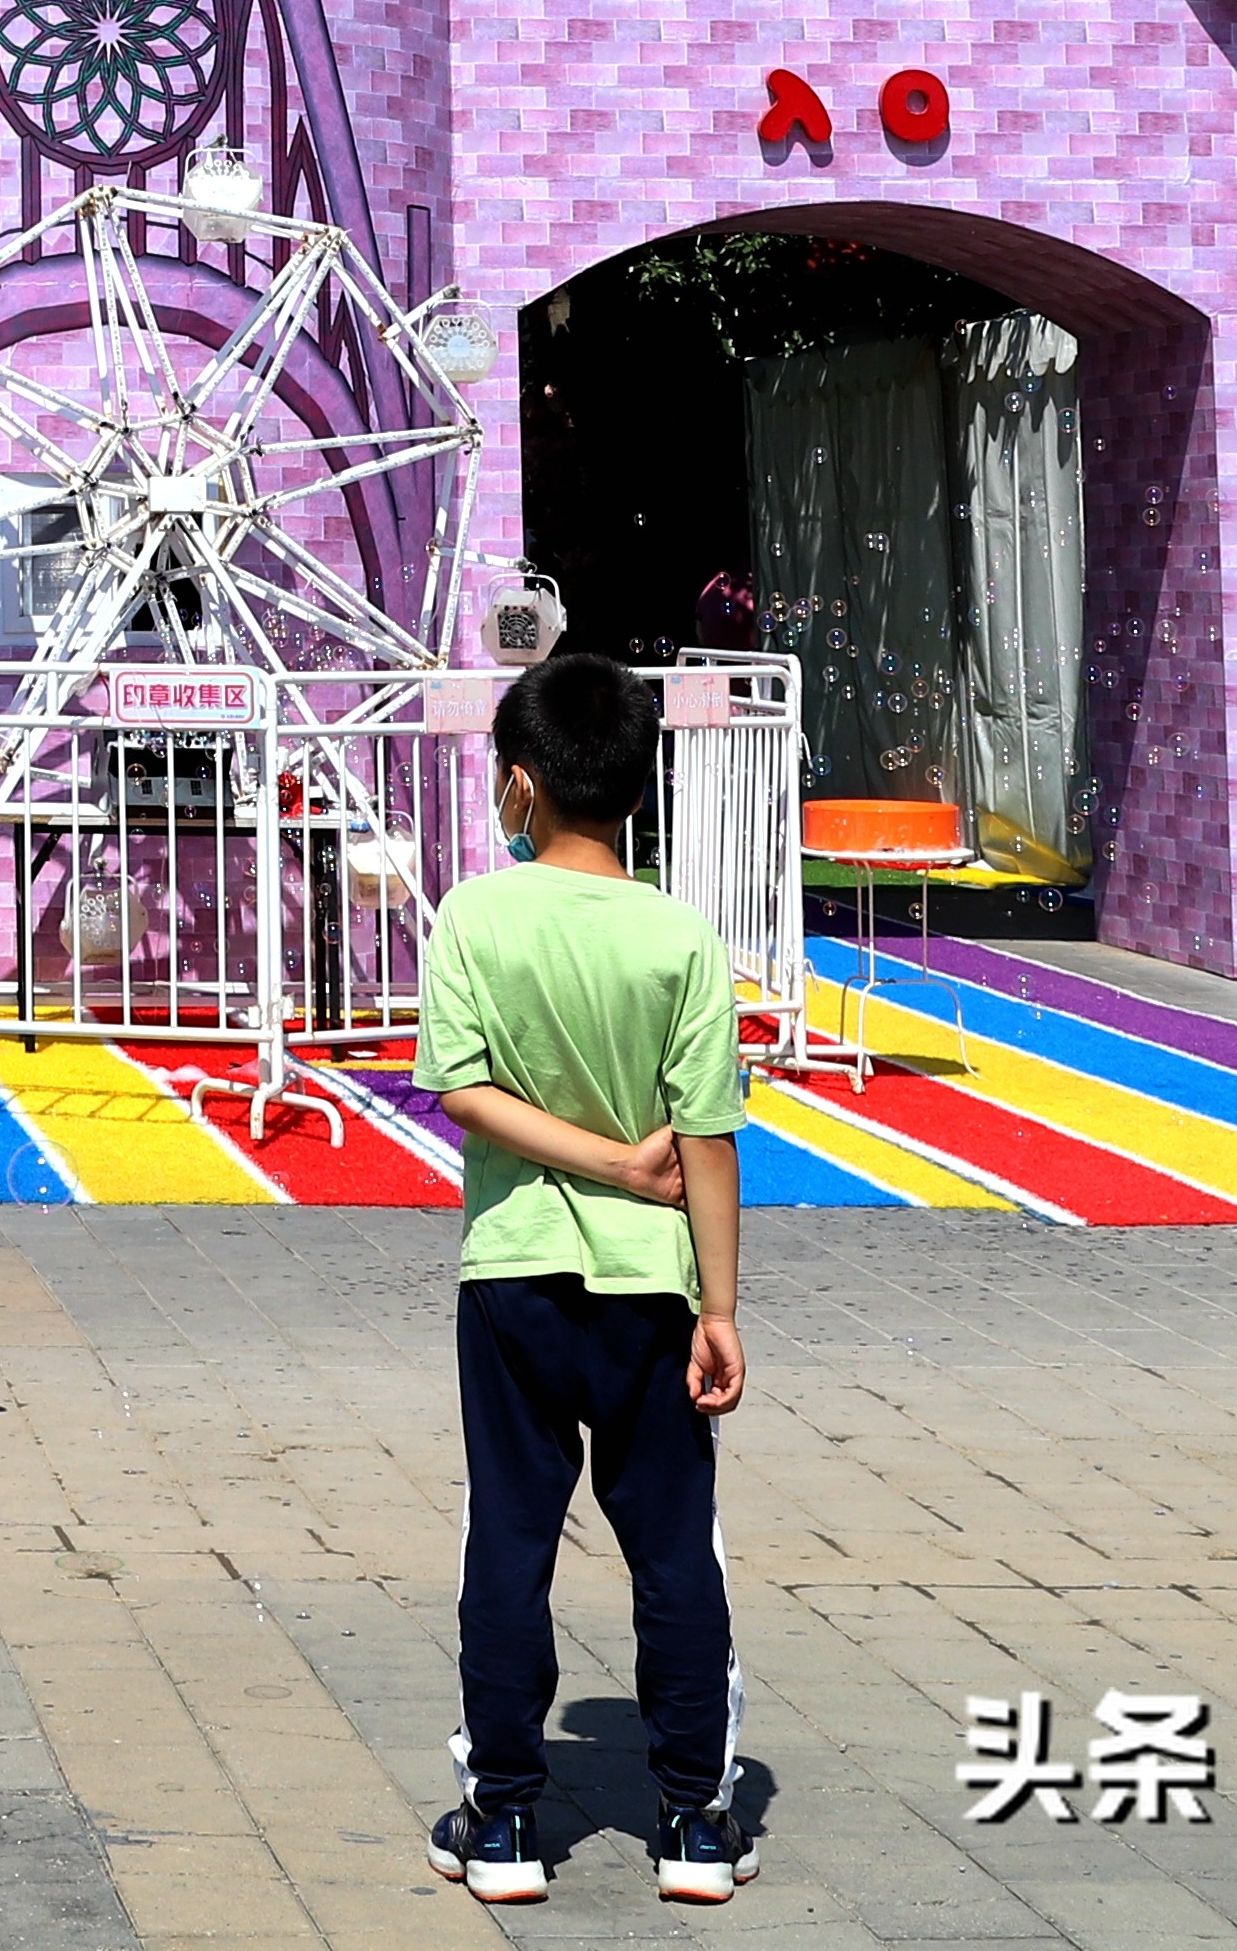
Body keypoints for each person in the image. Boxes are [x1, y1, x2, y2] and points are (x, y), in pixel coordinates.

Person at [412, 649, 752, 1910]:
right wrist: (718, 1306)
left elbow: (461, 1091)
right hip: (656, 1290)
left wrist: (591, 1162)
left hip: (513, 1276)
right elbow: (707, 1136)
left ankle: (502, 1819)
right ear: (634, 784)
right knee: (673, 1552)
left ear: (519, 784)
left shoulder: (475, 915)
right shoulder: (679, 934)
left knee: (507, 1535)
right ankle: (693, 1820)